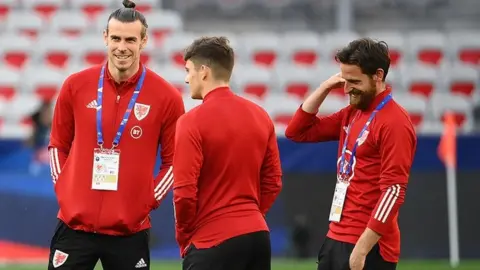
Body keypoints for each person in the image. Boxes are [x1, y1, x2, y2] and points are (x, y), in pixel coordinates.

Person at [47, 0, 185, 269]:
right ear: (105, 38)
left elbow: (175, 162)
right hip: (74, 227)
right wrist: (64, 189)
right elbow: (57, 145)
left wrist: (148, 200)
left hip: (129, 231)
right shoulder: (75, 86)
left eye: (131, 40)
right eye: (117, 38)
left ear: (143, 42)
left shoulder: (166, 97)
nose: (122, 47)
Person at [285, 38, 417, 270]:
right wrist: (325, 87)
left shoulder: (395, 122)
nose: (346, 89)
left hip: (368, 247)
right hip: (336, 236)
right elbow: (297, 132)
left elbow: (394, 190)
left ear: (377, 75)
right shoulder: (352, 113)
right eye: (343, 80)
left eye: (354, 81)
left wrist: (362, 248)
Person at [172, 36, 283, 270]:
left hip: (211, 240)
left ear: (203, 72)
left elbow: (184, 193)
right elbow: (273, 182)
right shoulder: (261, 115)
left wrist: (185, 236)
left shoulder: (190, 122)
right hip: (257, 238)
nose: (186, 78)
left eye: (188, 70)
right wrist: (249, 216)